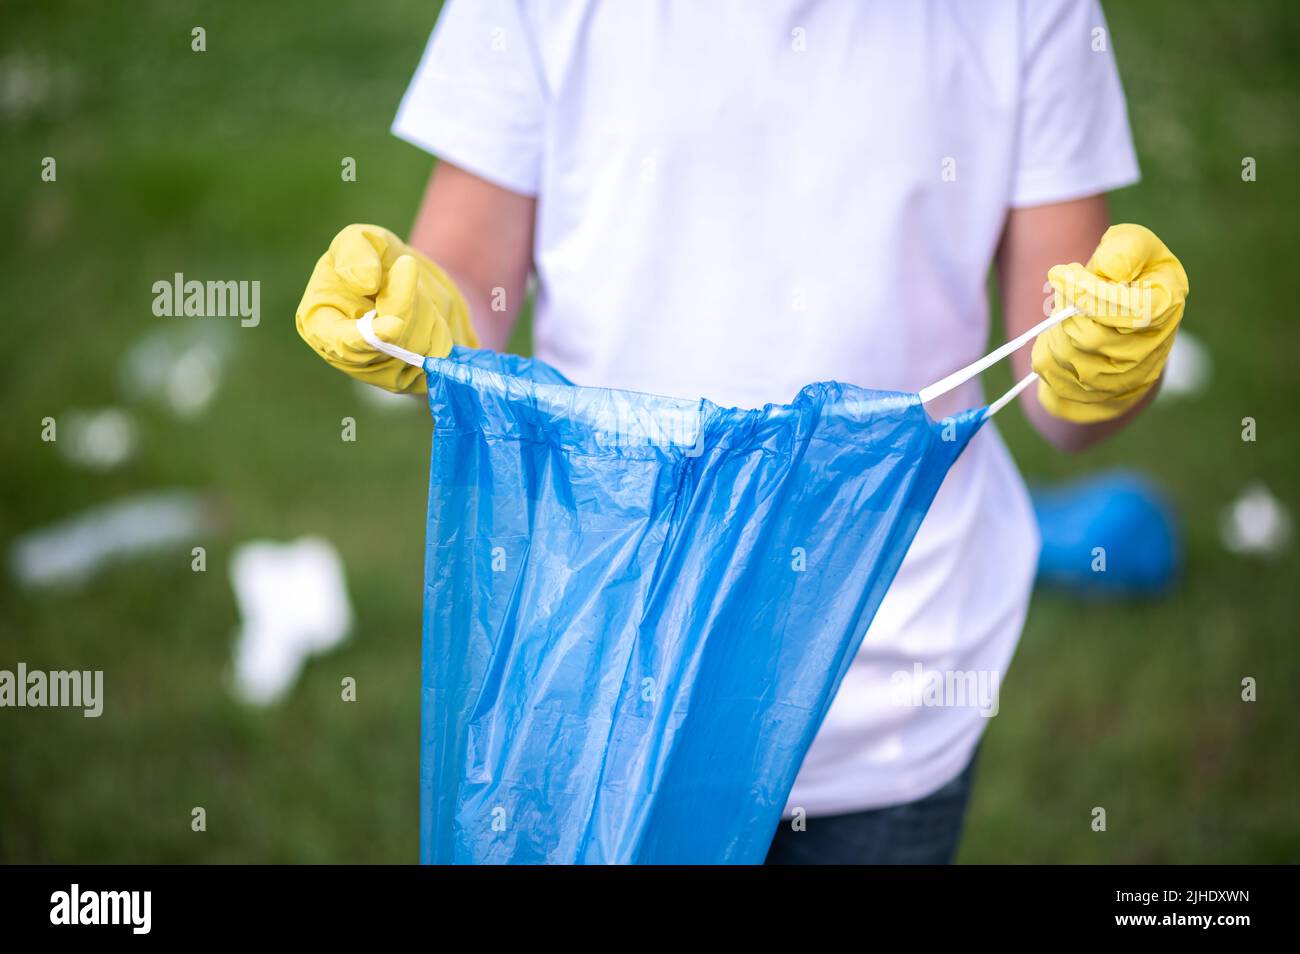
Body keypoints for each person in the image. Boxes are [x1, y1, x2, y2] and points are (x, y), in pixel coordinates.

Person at [296, 0, 1187, 864]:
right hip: (605, 658)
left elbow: (1055, 361)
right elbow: (471, 275)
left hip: (890, 677)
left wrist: (1100, 369)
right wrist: (432, 318)